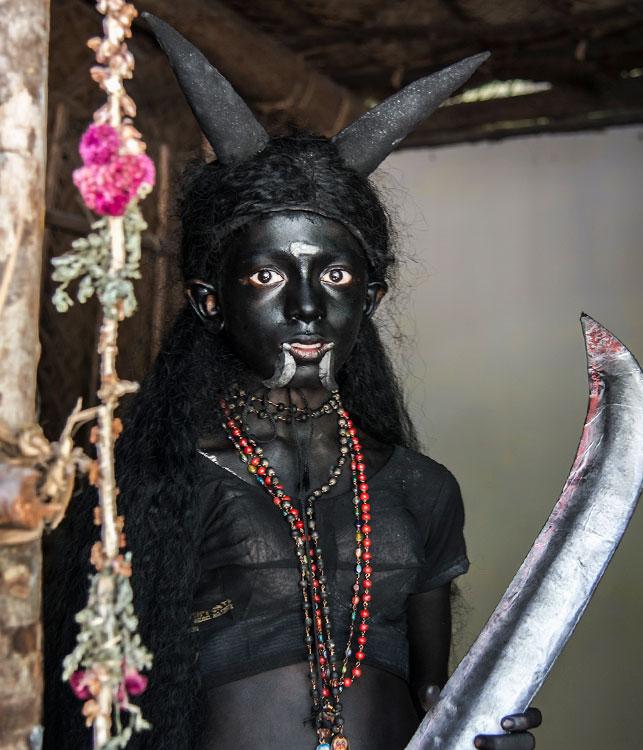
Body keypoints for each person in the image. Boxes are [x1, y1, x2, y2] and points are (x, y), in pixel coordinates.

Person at [44, 15, 541, 750]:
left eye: (334, 274)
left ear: (368, 299)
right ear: (213, 299)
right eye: (270, 274)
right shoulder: (156, 482)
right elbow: (103, 713)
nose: (308, 305)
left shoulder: (421, 491)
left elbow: (437, 698)